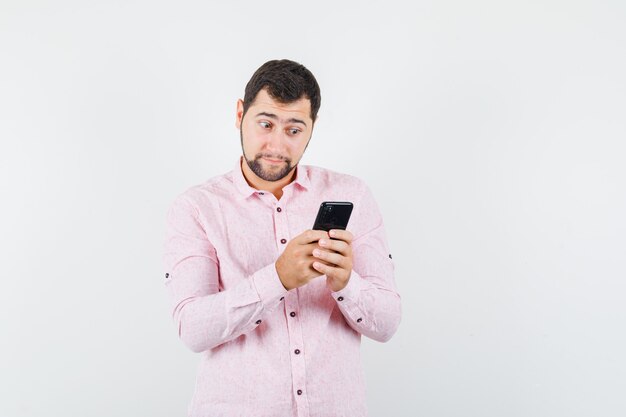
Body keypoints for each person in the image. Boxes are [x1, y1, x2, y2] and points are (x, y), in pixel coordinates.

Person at [163, 59, 401, 417]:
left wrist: (345, 282)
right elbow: (193, 329)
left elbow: (387, 325)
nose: (276, 144)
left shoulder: (354, 194)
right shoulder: (197, 208)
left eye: (293, 129)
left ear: (312, 128)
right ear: (240, 113)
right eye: (265, 124)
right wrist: (278, 278)